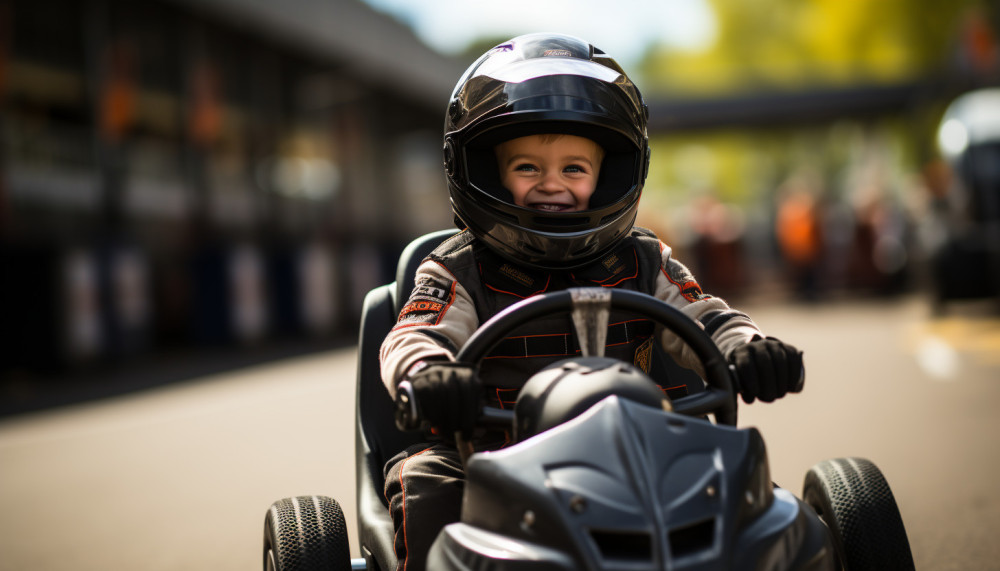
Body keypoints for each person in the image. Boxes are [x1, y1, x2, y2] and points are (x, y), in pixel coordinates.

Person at [379, 33, 803, 571]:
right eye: (527, 168)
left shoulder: (646, 261)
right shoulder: (457, 269)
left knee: (751, 490)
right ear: (484, 171)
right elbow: (415, 337)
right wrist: (431, 374)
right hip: (494, 458)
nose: (551, 185)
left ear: (612, 174)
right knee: (424, 480)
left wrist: (750, 350)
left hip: (645, 451)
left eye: (574, 169)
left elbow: (708, 316)